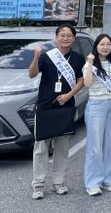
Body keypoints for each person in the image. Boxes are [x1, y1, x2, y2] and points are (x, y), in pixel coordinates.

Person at [28, 23, 85, 200]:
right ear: (56, 37)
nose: (65, 38)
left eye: (69, 35)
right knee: (41, 148)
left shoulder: (78, 58)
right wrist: (36, 56)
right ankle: (38, 185)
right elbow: (32, 74)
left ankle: (58, 183)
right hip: (45, 106)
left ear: (73, 38)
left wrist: (68, 95)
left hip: (66, 108)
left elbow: (81, 80)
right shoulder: (46, 56)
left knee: (62, 148)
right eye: (62, 35)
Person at [82, 33, 111, 196]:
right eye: (102, 44)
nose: (105, 47)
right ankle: (93, 183)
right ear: (96, 46)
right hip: (96, 105)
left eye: (108, 44)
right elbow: (87, 83)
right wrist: (90, 63)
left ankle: (109, 180)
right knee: (95, 146)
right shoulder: (89, 64)